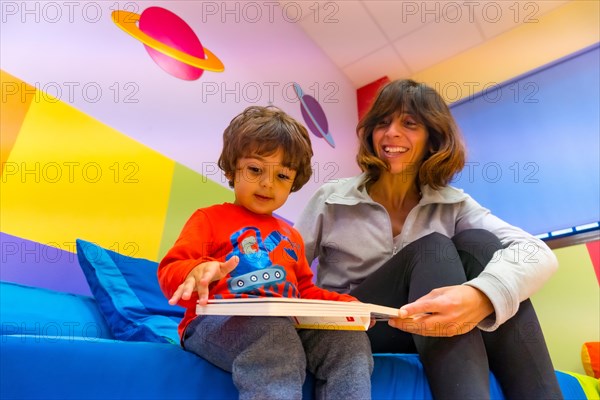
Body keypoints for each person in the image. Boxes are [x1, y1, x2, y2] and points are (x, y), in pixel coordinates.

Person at [295, 79, 564, 400]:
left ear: (432, 140)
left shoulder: (454, 203)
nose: (391, 132)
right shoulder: (332, 198)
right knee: (433, 246)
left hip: (424, 329)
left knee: (480, 244)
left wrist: (482, 296)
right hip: (350, 329)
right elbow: (284, 263)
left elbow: (535, 251)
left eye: (409, 124)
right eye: (382, 123)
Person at [158, 106, 374, 400]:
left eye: (282, 176)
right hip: (210, 323)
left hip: (284, 324)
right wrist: (194, 272)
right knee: (272, 334)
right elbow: (171, 269)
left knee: (349, 342)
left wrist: (348, 306)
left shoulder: (292, 236)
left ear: (293, 183)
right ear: (231, 169)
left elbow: (305, 291)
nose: (267, 183)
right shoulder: (209, 218)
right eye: (255, 169)